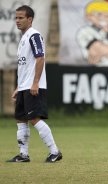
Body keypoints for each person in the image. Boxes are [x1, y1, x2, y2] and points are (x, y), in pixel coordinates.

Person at [6, 5, 62, 163]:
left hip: (33, 86)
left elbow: (40, 58)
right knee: (21, 119)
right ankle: (23, 155)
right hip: (25, 86)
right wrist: (19, 87)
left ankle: (55, 151)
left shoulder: (34, 35)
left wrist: (35, 82)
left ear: (29, 19)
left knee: (34, 118)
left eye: (21, 18)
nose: (17, 21)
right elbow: (25, 65)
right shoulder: (23, 38)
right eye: (16, 17)